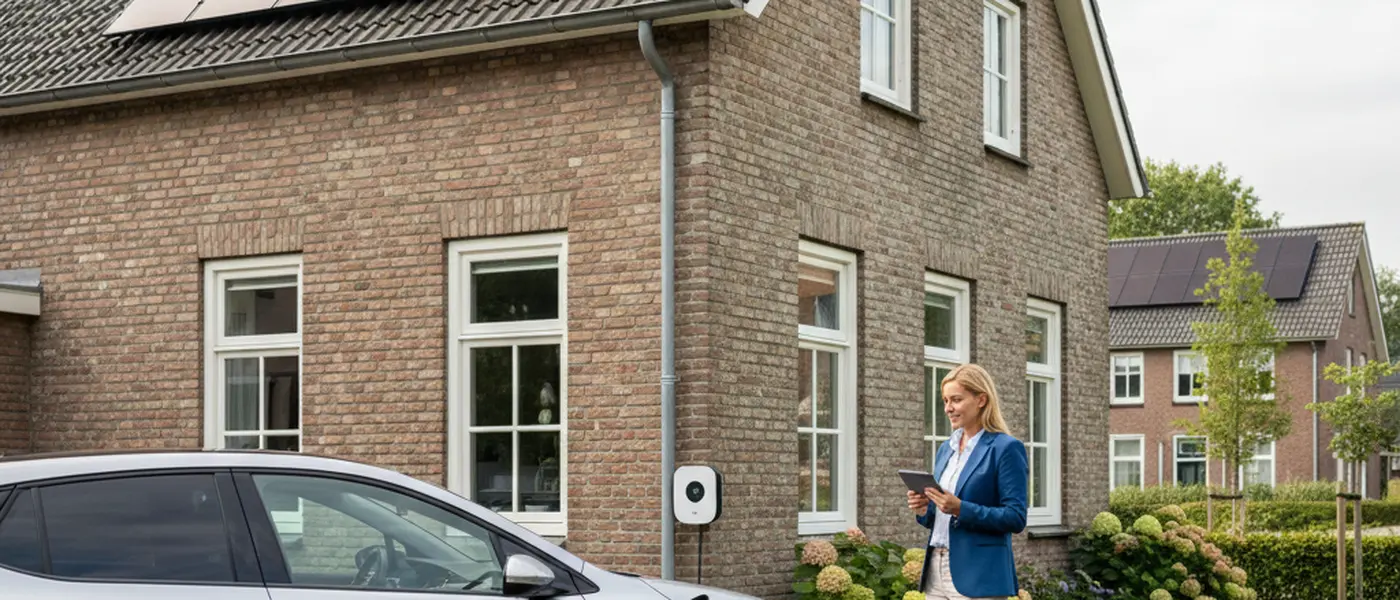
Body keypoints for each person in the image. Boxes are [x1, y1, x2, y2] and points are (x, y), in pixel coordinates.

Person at [906, 363, 1028, 599]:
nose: (948, 408)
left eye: (956, 400)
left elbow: (1016, 517)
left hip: (980, 574)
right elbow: (939, 517)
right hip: (936, 568)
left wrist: (961, 508)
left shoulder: (1006, 448)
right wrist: (925, 508)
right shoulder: (946, 449)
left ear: (981, 399)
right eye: (945, 401)